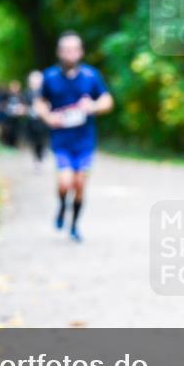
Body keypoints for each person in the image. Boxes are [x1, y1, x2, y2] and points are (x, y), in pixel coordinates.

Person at [35, 31, 114, 242]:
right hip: (61, 140)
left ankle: (74, 226)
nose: (70, 53)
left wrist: (94, 106)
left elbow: (107, 100)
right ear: (59, 52)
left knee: (79, 184)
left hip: (85, 140)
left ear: (80, 52)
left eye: (74, 49)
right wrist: (48, 116)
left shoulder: (91, 76)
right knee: (64, 182)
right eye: (66, 50)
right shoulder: (49, 76)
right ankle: (62, 206)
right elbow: (40, 102)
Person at [23, 70, 48, 168]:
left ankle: (40, 157)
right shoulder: (27, 93)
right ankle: (36, 157)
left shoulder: (44, 92)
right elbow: (23, 105)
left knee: (42, 139)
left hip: (43, 120)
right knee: (33, 140)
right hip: (31, 120)